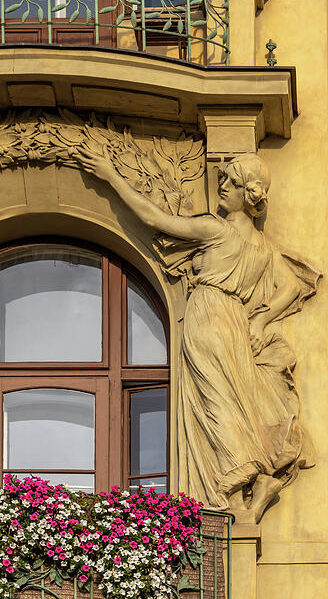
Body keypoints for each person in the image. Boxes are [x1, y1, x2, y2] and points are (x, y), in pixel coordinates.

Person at [77, 145, 320, 521]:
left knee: (216, 404)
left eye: (232, 182)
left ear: (247, 193)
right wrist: (259, 320)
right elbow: (290, 287)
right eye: (223, 179)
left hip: (209, 314)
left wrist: (111, 176)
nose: (222, 186)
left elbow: (155, 218)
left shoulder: (215, 229)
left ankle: (237, 492)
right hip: (236, 322)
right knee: (232, 401)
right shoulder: (263, 247)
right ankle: (247, 500)